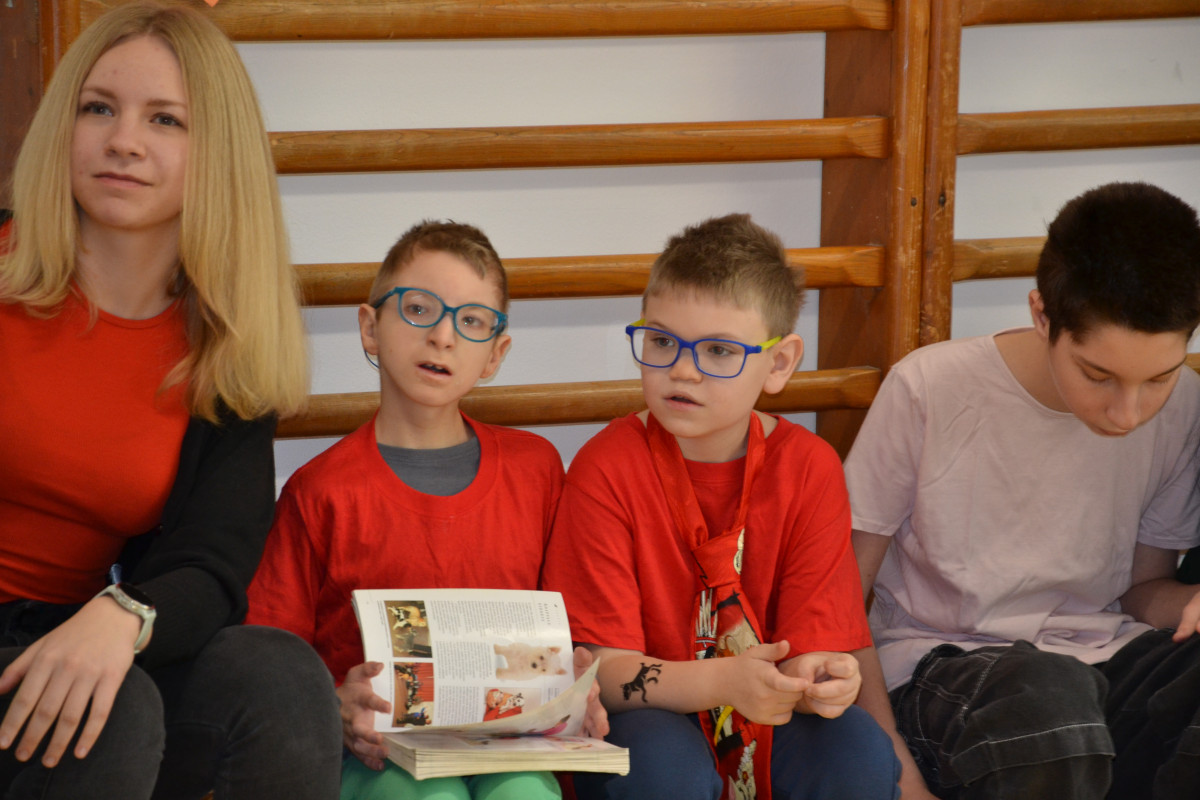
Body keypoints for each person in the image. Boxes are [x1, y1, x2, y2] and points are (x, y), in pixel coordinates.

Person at [0, 3, 343, 798]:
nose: (124, 140)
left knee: (278, 678)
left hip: (69, 631)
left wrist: (125, 615)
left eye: (165, 119)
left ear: (216, 153)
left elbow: (212, 564)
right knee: (110, 718)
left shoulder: (223, 347)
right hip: (50, 666)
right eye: (98, 108)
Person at [846, 181, 1200, 799]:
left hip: (1102, 660)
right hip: (945, 665)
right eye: (1098, 375)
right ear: (1042, 315)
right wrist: (896, 771)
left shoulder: (1186, 404)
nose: (1129, 413)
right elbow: (838, 603)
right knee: (1049, 705)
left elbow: (1143, 590)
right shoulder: (929, 388)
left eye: (1158, 379)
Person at [541, 213, 901, 800]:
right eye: (662, 341)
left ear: (779, 364)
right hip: (653, 717)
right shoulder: (606, 466)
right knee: (661, 767)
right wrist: (722, 681)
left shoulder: (809, 467)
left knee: (856, 749)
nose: (683, 370)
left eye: (718, 350)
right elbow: (603, 671)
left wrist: (823, 679)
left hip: (766, 708)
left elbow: (812, 646)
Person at [245, 220, 608, 800]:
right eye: (419, 310)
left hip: (512, 750)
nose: (442, 337)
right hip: (377, 758)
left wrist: (579, 682)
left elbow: (575, 624)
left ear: (495, 354)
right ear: (370, 328)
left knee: (525, 794)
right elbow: (270, 659)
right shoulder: (320, 491)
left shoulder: (537, 470)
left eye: (472, 321)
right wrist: (335, 705)